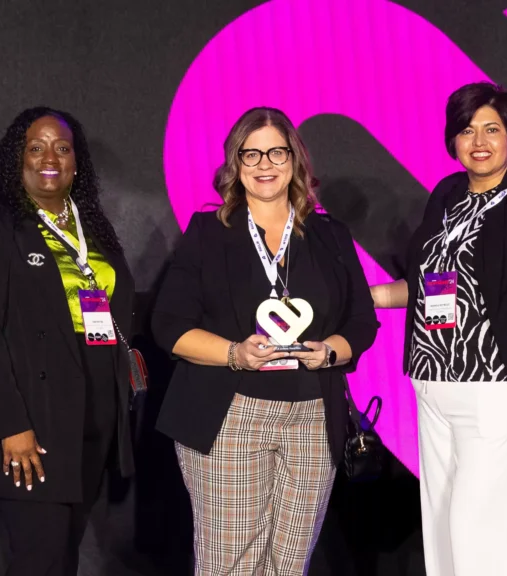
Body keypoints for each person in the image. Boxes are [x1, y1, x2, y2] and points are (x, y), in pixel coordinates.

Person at [152, 106, 379, 575]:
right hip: (230, 414)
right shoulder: (208, 232)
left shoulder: (330, 235)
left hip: (313, 417)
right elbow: (169, 325)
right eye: (250, 154)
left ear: (295, 159)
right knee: (231, 564)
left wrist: (330, 352)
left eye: (276, 152)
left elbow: (362, 321)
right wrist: (234, 354)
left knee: (290, 564)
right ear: (235, 164)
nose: (264, 164)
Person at [369, 82, 507, 576]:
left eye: (492, 129)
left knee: (483, 538)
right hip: (432, 386)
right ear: (453, 139)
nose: (479, 141)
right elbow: (429, 286)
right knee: (443, 537)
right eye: (467, 130)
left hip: (496, 393)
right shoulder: (446, 195)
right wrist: (364, 296)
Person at [0, 107, 136, 575]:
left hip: (92, 415)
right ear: (17, 159)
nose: (49, 158)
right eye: (36, 147)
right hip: (34, 418)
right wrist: (12, 426)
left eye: (62, 148)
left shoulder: (94, 230)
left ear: (77, 162)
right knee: (40, 560)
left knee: (63, 558)